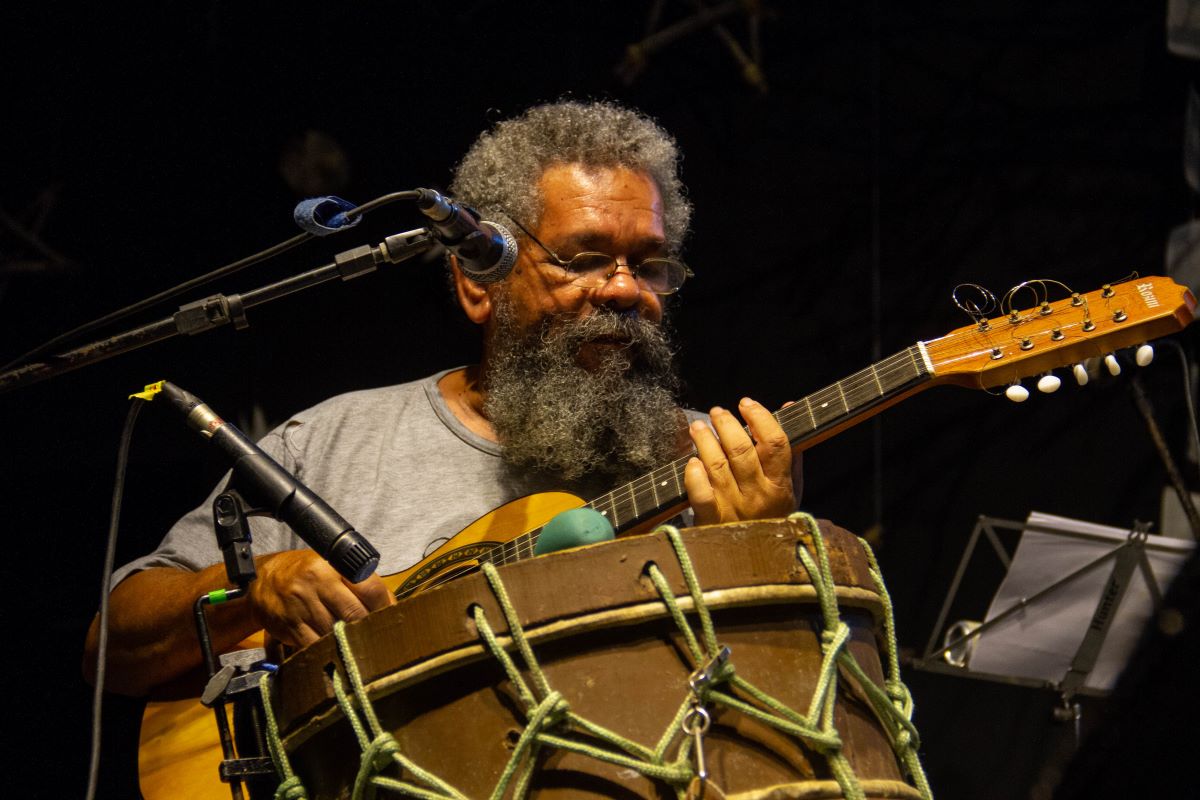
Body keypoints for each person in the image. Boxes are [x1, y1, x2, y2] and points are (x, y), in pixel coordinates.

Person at [83, 100, 799, 696]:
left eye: (648, 264)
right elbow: (110, 645)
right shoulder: (333, 441)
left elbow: (797, 708)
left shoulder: (721, 466)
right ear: (478, 283)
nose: (623, 288)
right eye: (583, 259)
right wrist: (254, 590)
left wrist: (757, 555)